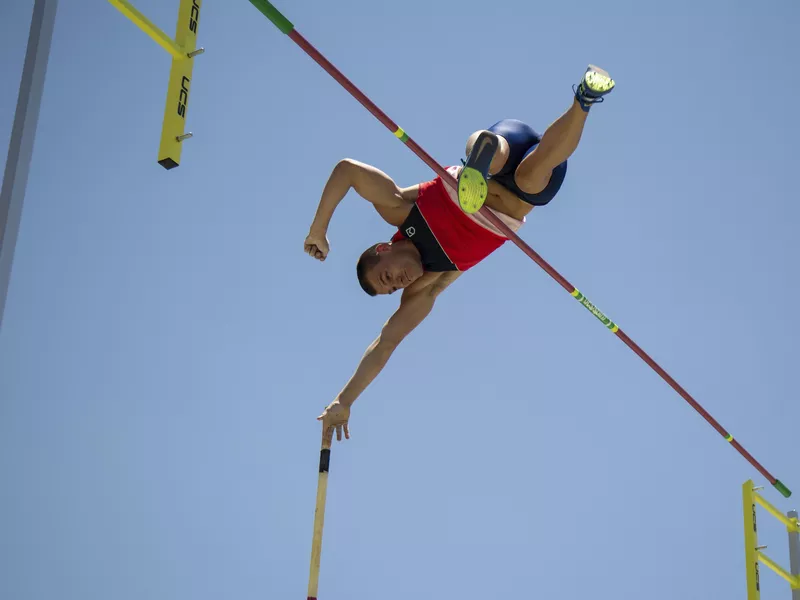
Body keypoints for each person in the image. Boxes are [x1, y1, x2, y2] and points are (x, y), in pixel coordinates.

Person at [304, 65, 615, 445]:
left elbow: (348, 170)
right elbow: (384, 343)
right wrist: (344, 400)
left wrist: (319, 229)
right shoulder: (427, 286)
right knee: (531, 175)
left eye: (387, 277)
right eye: (391, 291)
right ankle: (585, 98)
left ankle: (479, 165)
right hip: (527, 190)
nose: (399, 284)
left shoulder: (399, 209)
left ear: (384, 249)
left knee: (486, 146)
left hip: (498, 149)